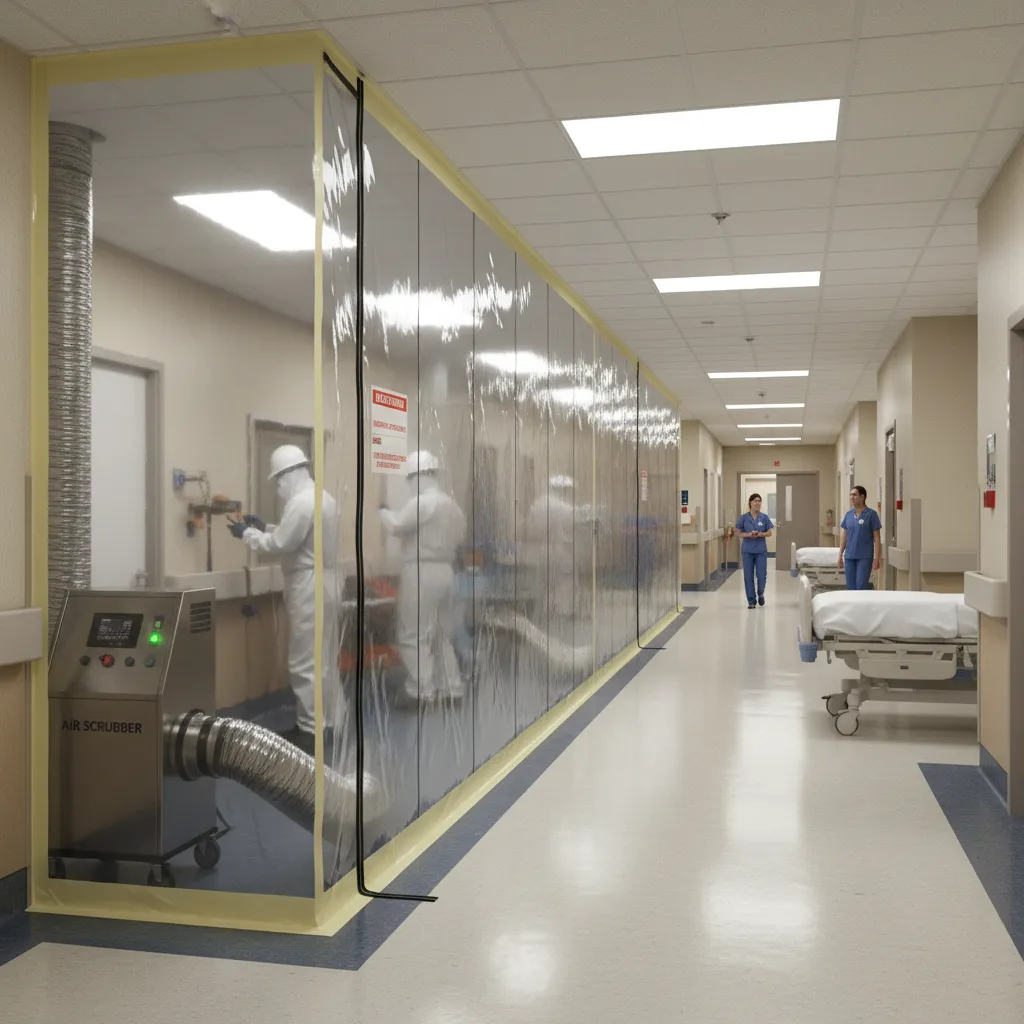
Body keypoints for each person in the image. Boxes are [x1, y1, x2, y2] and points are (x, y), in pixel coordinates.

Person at [227, 445, 337, 755]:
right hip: (327, 581)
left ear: (290, 474)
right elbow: (296, 537)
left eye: (278, 479)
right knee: (321, 658)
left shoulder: (302, 502)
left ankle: (311, 730)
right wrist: (264, 527)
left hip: (309, 584)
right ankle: (327, 722)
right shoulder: (322, 498)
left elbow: (280, 544)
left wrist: (247, 533)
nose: (278, 486)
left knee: (304, 661)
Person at [379, 450, 467, 705]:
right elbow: (460, 536)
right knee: (441, 635)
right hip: (446, 572)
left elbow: (397, 526)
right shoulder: (453, 506)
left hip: (421, 572)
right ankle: (452, 689)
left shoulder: (422, 502)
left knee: (413, 633)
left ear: (416, 476)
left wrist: (382, 512)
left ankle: (420, 691)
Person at [838, 485, 881, 590]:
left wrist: (877, 558)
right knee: (851, 587)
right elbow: (844, 536)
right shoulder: (848, 515)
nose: (852, 497)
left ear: (862, 497)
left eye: (854, 495)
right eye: (850, 495)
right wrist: (840, 554)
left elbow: (877, 538)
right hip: (849, 556)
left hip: (864, 557)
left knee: (861, 586)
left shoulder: (871, 514)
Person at [735, 493, 773, 609]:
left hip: (760, 551)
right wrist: (748, 534)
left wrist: (761, 534)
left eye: (759, 501)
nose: (757, 503)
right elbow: (738, 533)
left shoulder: (764, 517)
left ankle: (760, 593)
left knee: (761, 575)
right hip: (747, 551)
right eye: (755, 501)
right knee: (748, 576)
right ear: (750, 503)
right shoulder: (744, 518)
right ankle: (751, 601)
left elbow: (770, 532)